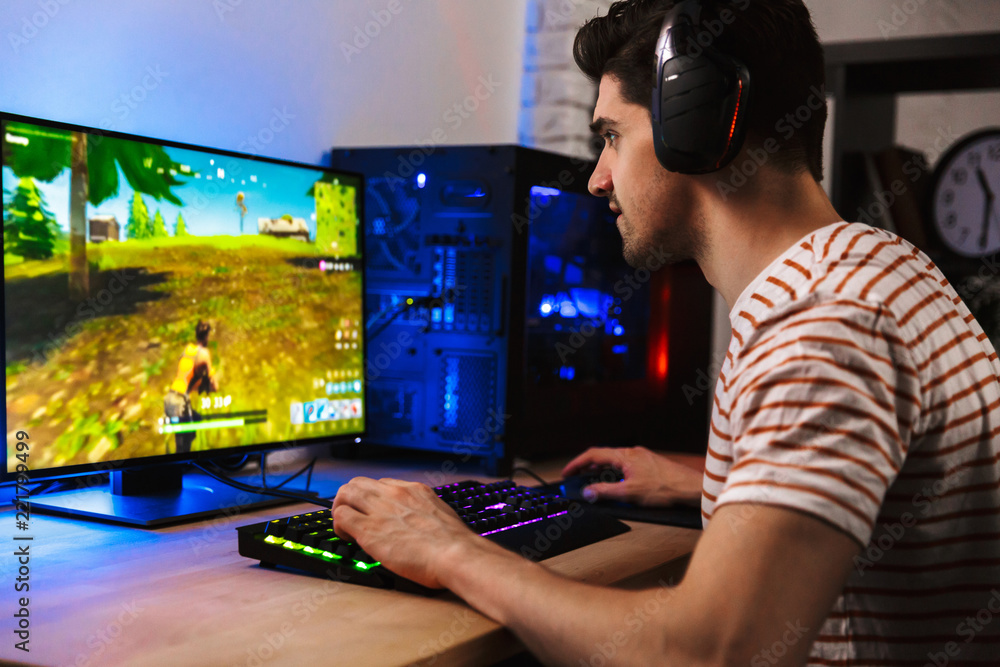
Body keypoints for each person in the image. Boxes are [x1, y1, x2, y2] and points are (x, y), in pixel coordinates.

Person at [332, 1, 1000, 663]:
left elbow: (711, 652)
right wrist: (706, 480)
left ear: (697, 123)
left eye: (613, 136)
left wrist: (450, 549)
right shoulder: (878, 267)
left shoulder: (821, 324)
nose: (597, 178)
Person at [164, 320, 219, 454]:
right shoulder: (204, 354)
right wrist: (210, 384)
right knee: (183, 451)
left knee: (197, 419)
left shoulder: (188, 349)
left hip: (170, 397)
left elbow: (185, 377)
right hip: (180, 404)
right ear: (207, 336)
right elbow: (215, 385)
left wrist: (198, 383)